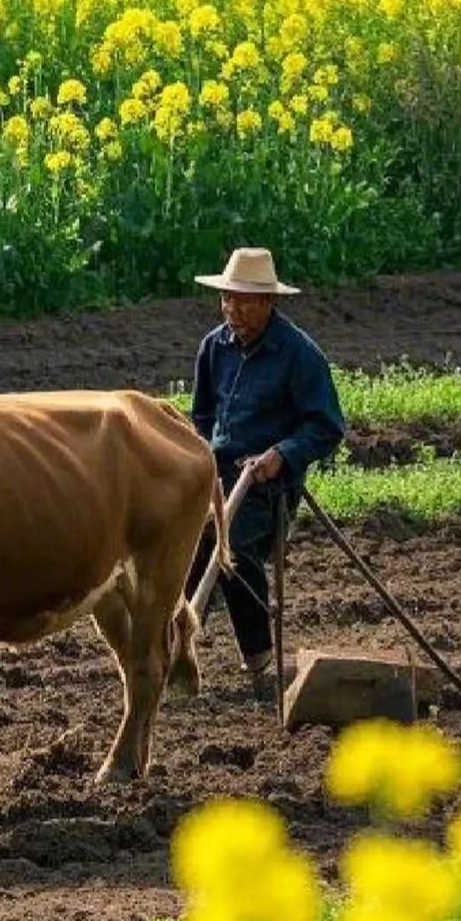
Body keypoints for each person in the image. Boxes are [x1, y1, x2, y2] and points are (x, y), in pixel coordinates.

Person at [186, 245, 346, 703]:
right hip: (213, 479)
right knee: (178, 550)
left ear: (269, 303)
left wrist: (282, 453)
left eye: (242, 300)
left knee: (231, 549)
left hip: (265, 488)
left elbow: (326, 425)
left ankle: (260, 664)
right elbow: (201, 419)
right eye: (226, 299)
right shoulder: (213, 348)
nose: (231, 309)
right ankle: (173, 651)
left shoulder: (298, 354)